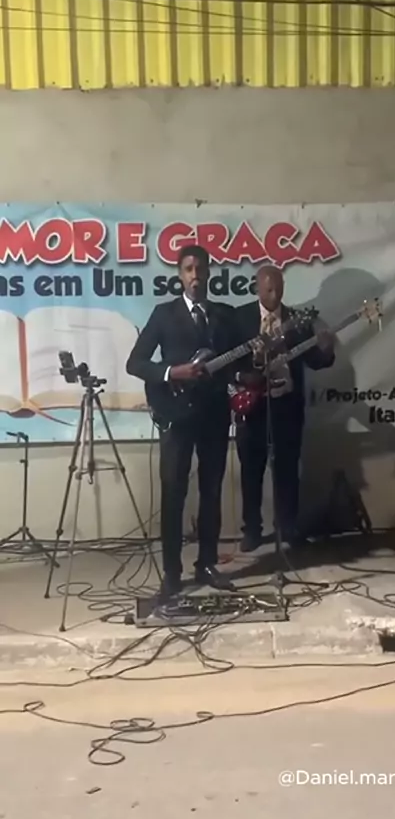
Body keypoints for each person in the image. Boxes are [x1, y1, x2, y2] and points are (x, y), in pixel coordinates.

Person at [126, 244, 238, 598]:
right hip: (175, 416)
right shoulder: (164, 314)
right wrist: (171, 372)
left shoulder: (225, 315)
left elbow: (237, 363)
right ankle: (172, 572)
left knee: (212, 491)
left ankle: (207, 564)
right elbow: (135, 363)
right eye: (189, 269)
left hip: (214, 415)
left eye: (201, 269)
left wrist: (249, 367)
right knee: (173, 492)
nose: (195, 276)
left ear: (209, 273)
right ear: (180, 275)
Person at [234, 264, 335, 552]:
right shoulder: (239, 318)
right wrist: (245, 375)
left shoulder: (297, 320)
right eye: (269, 289)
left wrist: (326, 349)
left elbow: (315, 360)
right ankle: (252, 531)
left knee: (287, 469)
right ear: (257, 288)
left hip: (287, 405)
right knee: (251, 471)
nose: (275, 294)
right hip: (252, 407)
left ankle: (287, 526)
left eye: (279, 289)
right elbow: (229, 362)